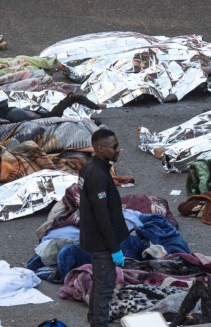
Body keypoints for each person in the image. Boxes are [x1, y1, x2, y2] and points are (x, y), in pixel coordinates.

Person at [79, 128, 130, 327]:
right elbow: (102, 215)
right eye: (114, 146)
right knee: (104, 288)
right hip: (102, 243)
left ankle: (94, 320)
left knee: (99, 285)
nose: (118, 150)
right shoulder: (98, 174)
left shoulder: (90, 167)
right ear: (100, 148)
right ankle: (99, 323)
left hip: (96, 239)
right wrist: (114, 247)